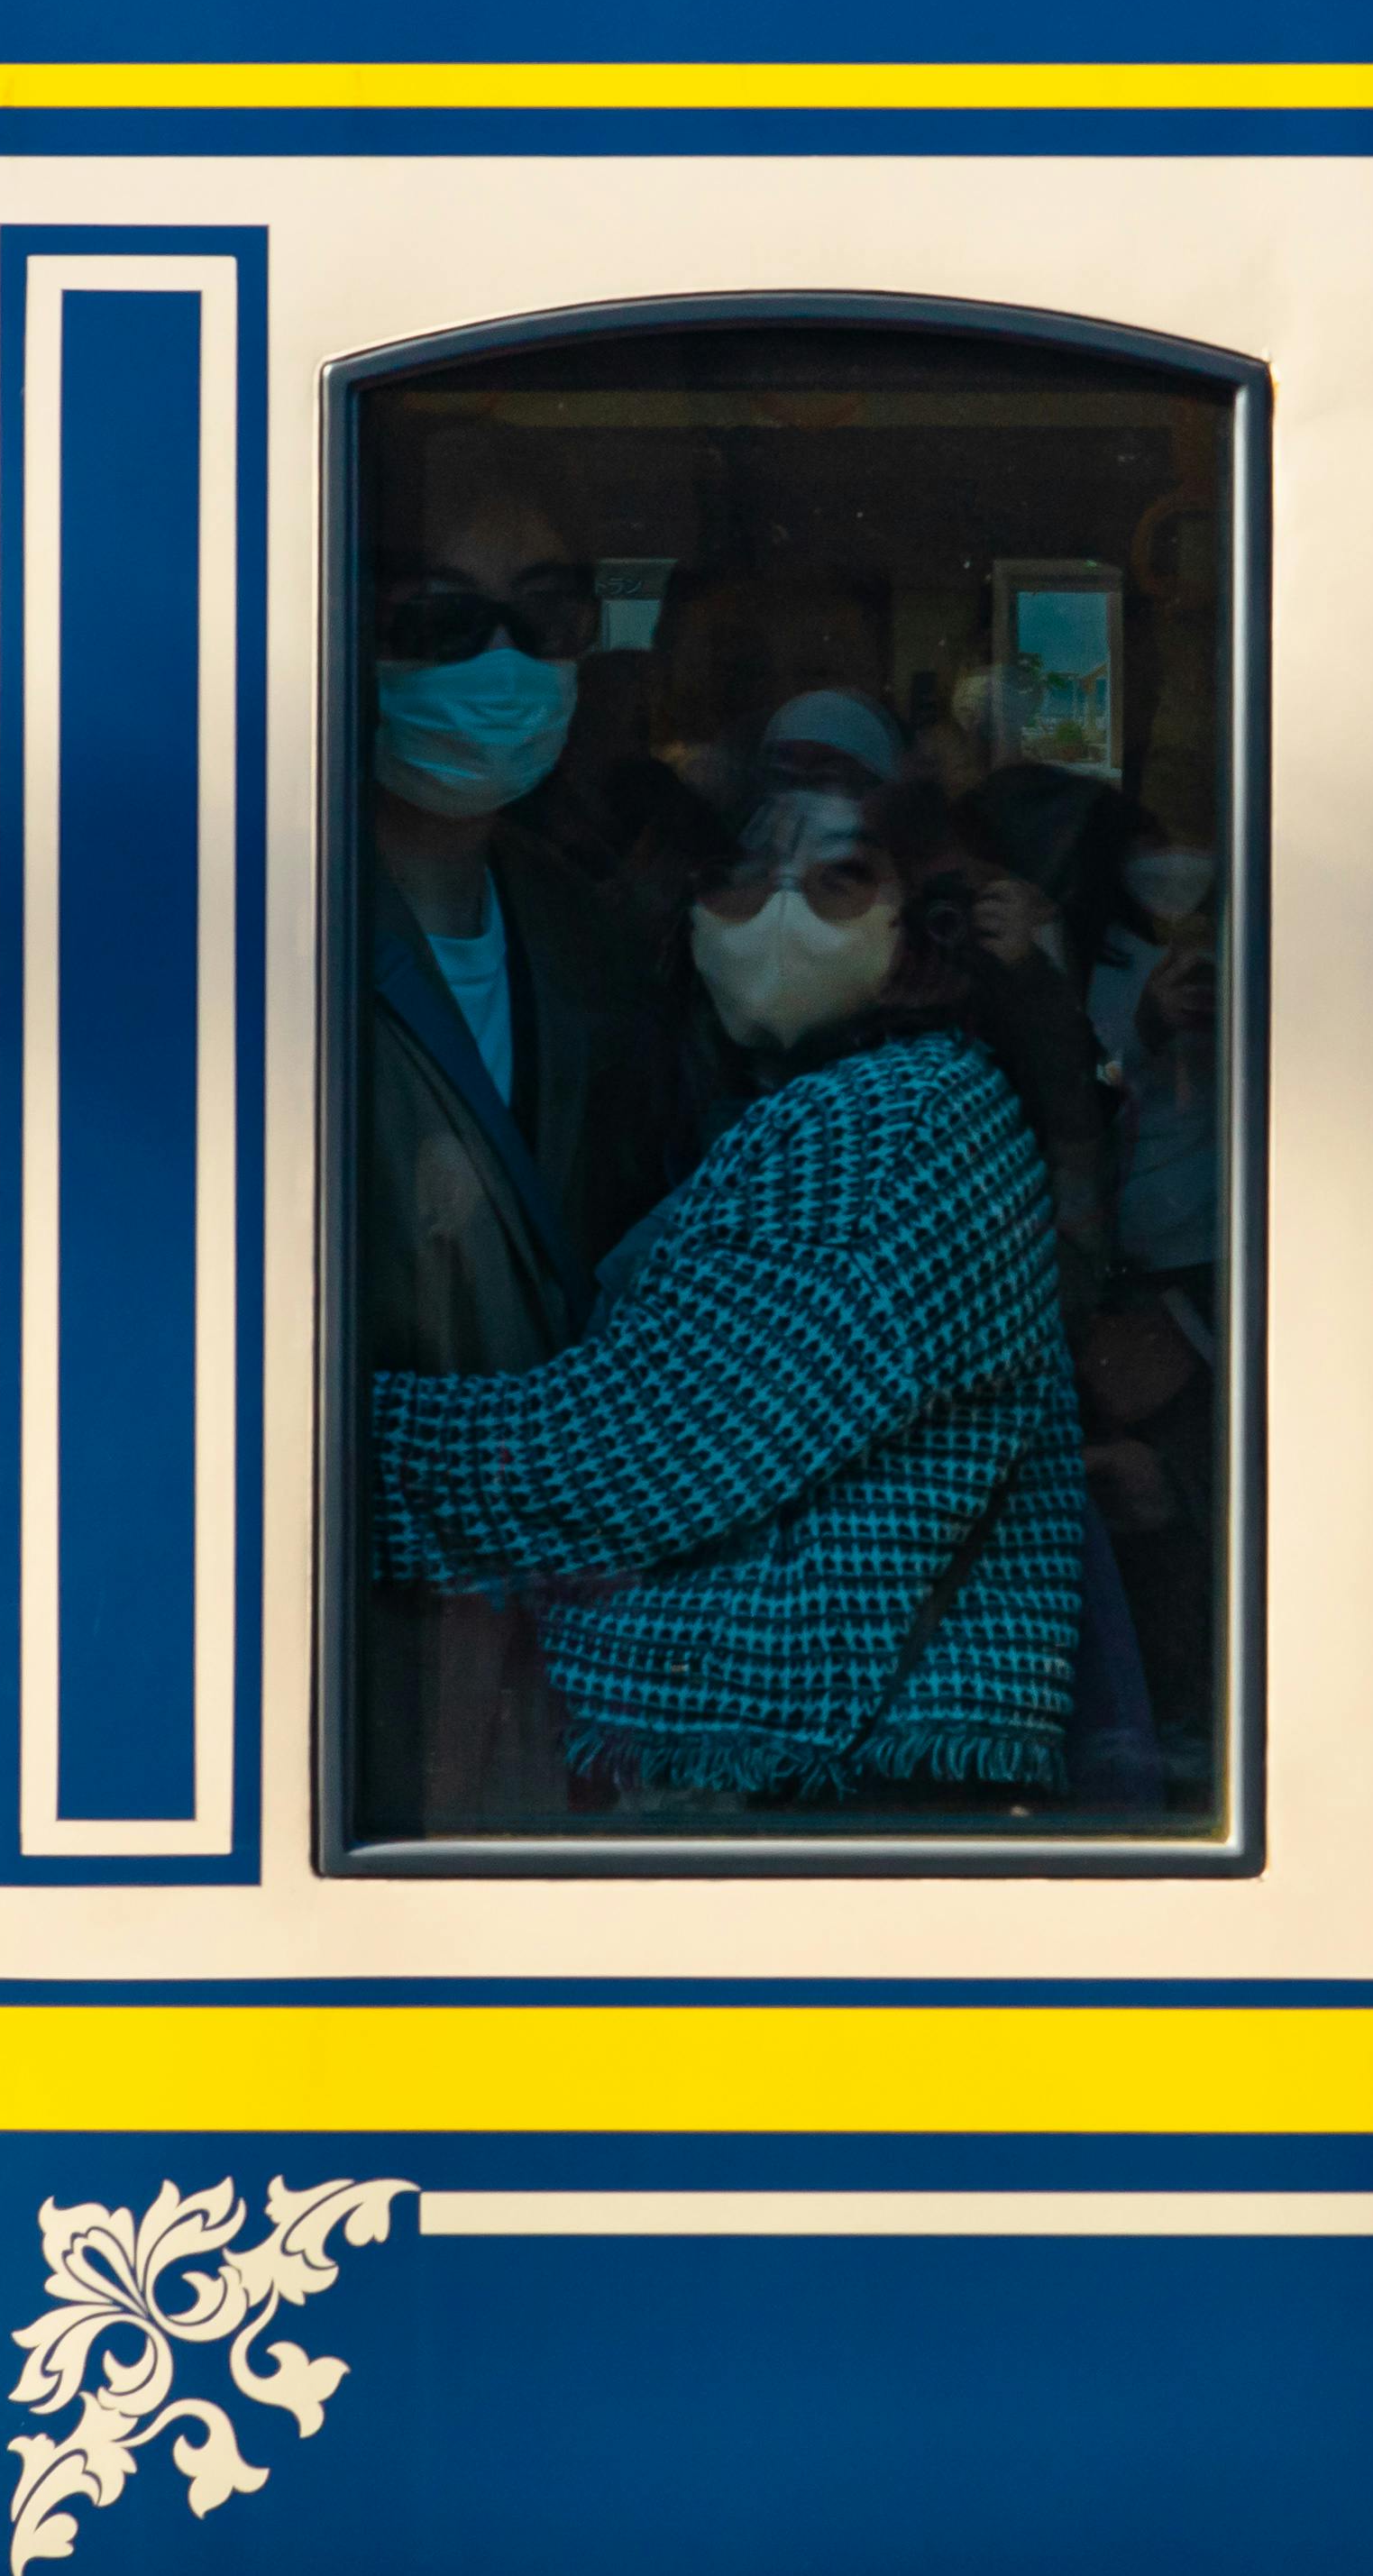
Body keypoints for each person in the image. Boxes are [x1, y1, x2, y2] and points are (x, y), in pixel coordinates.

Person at [358, 754, 1083, 1811]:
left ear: (920, 923)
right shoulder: (855, 1099)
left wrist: (315, 1441)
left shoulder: (883, 1122)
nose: (773, 918)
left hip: (829, 1767)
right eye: (740, 878)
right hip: (835, 1752)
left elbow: (643, 1455)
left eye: (837, 882)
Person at [351, 443, 696, 1829]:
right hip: (353, 1641)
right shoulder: (272, 940)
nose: (498, 667)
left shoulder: (597, 944)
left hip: (558, 1639)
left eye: (545, 620)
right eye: (436, 621)